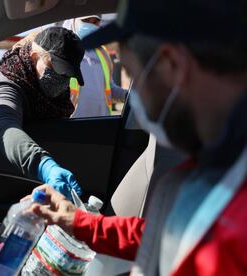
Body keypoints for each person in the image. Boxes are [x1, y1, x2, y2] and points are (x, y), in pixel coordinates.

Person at [27, 0, 247, 275]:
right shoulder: (212, 171)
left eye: (136, 77)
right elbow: (166, 238)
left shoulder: (235, 216)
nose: (137, 96)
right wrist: (79, 222)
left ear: (171, 65)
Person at [0, 27, 84, 200]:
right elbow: (3, 126)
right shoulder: (5, 86)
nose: (63, 79)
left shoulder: (47, 93)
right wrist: (44, 166)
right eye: (57, 68)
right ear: (35, 57)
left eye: (68, 73)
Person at [62, 15, 128, 118]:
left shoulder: (103, 54)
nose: (90, 24)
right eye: (86, 20)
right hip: (73, 125)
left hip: (101, 124)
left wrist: (127, 96)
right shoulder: (62, 52)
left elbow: (109, 89)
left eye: (95, 22)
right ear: (72, 21)